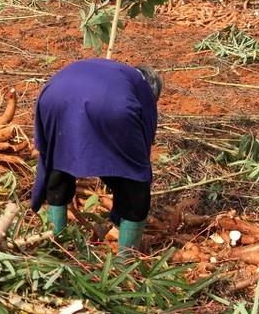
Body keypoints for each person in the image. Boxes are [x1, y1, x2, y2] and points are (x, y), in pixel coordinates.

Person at [29, 58, 163, 253]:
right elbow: (143, 144)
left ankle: (56, 247)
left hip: (54, 96)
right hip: (110, 106)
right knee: (135, 182)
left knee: (60, 162)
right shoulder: (143, 89)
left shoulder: (117, 71)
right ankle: (126, 261)